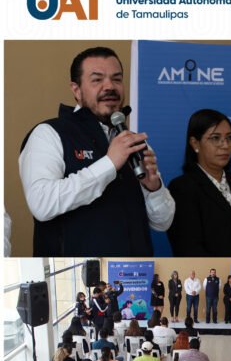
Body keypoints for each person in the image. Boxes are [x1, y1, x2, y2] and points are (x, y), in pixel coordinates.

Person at [18, 46, 174, 256]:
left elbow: (163, 223)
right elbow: (42, 203)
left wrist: (153, 188)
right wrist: (109, 164)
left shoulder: (132, 141)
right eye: (97, 79)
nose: (109, 86)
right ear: (76, 90)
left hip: (136, 272)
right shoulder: (48, 133)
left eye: (117, 79)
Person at [167, 108, 231, 256]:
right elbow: (188, 249)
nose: (225, 145)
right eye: (215, 138)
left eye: (229, 138)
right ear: (195, 143)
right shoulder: (182, 189)